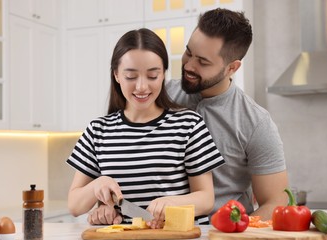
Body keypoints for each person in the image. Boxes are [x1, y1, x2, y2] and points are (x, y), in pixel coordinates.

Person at [66, 28, 225, 228]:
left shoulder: (189, 125)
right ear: (116, 75)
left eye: (152, 76)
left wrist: (173, 203)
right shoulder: (97, 131)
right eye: (131, 76)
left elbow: (206, 198)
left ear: (163, 74)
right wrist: (98, 188)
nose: (141, 87)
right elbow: (74, 206)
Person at [165, 8, 289, 220]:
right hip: (162, 233)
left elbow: (275, 202)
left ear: (232, 67)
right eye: (188, 52)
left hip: (220, 238)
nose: (189, 65)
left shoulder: (255, 122)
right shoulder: (161, 96)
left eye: (203, 62)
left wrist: (235, 233)